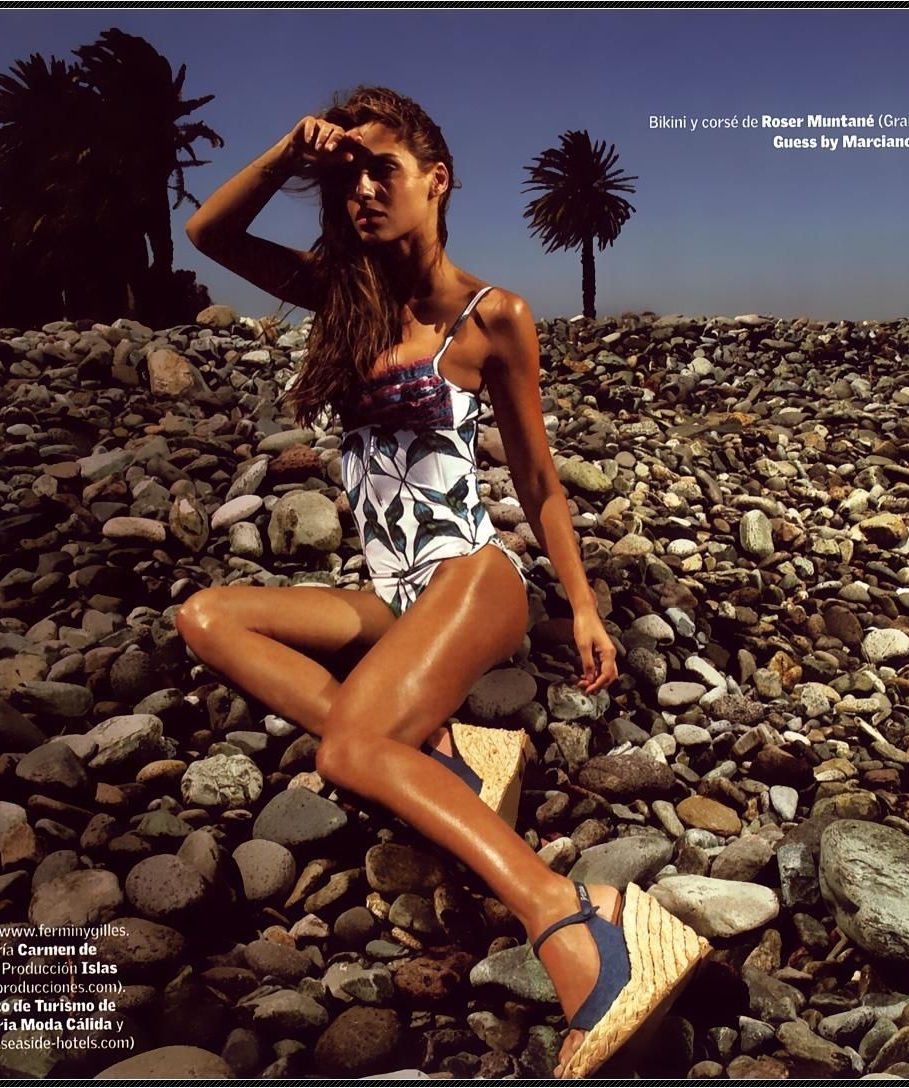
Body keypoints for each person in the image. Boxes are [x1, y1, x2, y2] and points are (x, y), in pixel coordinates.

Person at [175, 85, 707, 1078]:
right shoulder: (341, 301)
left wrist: (582, 605)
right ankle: (435, 757)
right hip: (387, 593)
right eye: (347, 179)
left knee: (345, 750)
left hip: (470, 575)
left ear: (436, 179)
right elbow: (207, 231)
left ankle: (574, 915)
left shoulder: (491, 315)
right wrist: (290, 153)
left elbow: (538, 480)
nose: (362, 192)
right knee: (206, 616)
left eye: (383, 171)